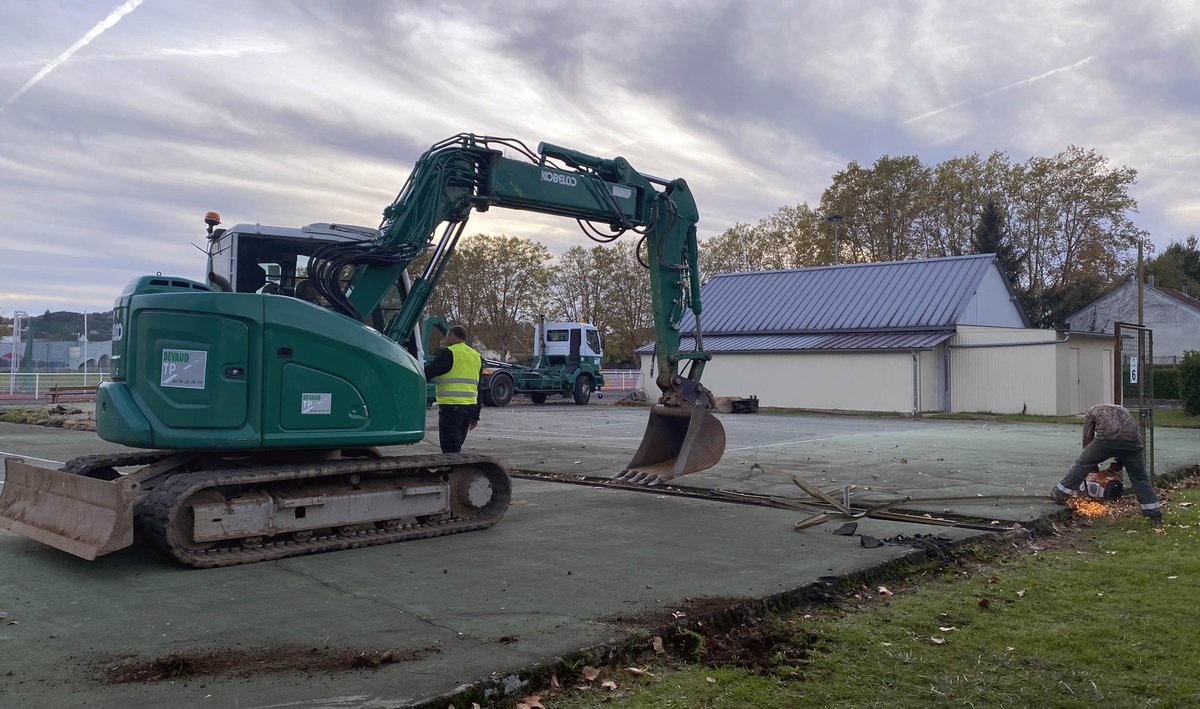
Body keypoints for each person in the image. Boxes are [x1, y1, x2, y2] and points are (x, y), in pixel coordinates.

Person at [1051, 403, 1163, 526]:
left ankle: (1060, 493)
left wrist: (1092, 466)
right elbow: (1126, 435)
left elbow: (1087, 437)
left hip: (1106, 439)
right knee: (1140, 477)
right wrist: (1118, 463)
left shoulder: (1092, 411)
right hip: (1133, 443)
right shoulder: (1124, 410)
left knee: (1082, 465)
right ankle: (1154, 513)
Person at [423, 325, 482, 454]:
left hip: (452, 407)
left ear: (452, 335)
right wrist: (476, 415)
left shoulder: (449, 353)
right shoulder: (476, 356)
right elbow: (478, 387)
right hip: (470, 407)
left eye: (447, 336)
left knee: (449, 447)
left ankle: (453, 466)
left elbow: (428, 372)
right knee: (457, 444)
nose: (446, 339)